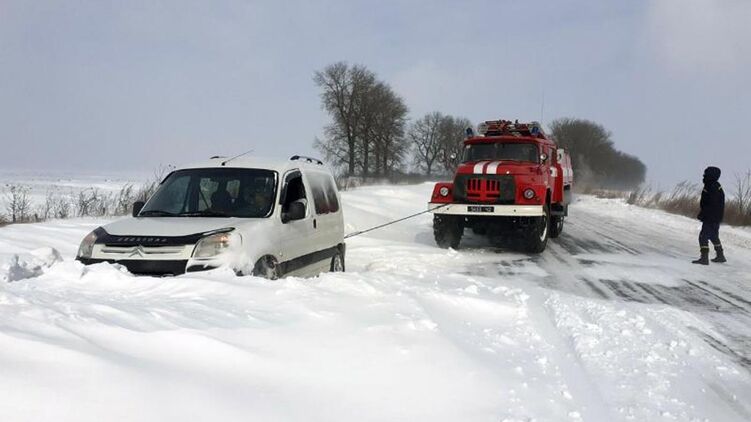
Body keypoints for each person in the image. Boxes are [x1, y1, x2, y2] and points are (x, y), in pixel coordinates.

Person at [692, 166, 726, 265]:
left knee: (703, 236)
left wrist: (704, 214)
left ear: (711, 175)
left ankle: (704, 258)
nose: (704, 175)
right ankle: (720, 255)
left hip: (711, 217)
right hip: (716, 217)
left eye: (706, 173)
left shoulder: (711, 186)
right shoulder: (715, 185)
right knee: (714, 236)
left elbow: (712, 203)